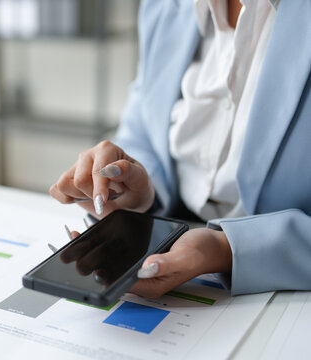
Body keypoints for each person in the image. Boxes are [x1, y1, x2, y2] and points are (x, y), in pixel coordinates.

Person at [50, 0, 311, 298]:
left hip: (282, 289)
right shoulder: (163, 6)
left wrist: (224, 249)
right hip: (170, 238)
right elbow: (143, 128)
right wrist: (136, 187)